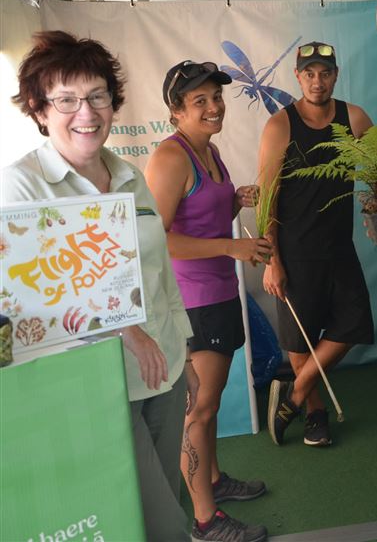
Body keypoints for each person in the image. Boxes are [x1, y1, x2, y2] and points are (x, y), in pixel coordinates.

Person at [3, 30, 195, 541]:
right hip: (94, 386)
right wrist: (125, 326)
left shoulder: (129, 173)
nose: (85, 112)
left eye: (96, 96)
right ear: (40, 110)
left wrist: (185, 350)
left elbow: (158, 270)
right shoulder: (22, 185)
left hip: (164, 370)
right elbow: (29, 298)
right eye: (66, 99)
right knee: (153, 522)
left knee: (167, 497)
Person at [144, 60, 270, 542]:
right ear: (176, 112)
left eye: (216, 97)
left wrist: (233, 200)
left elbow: (197, 213)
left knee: (210, 405)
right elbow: (157, 238)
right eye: (200, 101)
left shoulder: (208, 150)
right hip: (191, 300)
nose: (214, 106)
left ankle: (214, 480)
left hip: (218, 293)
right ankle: (204, 521)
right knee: (197, 409)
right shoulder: (171, 157)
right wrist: (229, 246)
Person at [258, 41, 375, 447]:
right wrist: (273, 260)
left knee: (354, 323)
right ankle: (314, 413)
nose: (317, 81)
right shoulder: (280, 125)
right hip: (294, 250)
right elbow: (267, 197)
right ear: (298, 77)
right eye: (309, 73)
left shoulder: (354, 117)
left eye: (324, 73)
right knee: (299, 338)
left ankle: (291, 393)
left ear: (336, 75)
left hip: (340, 245)